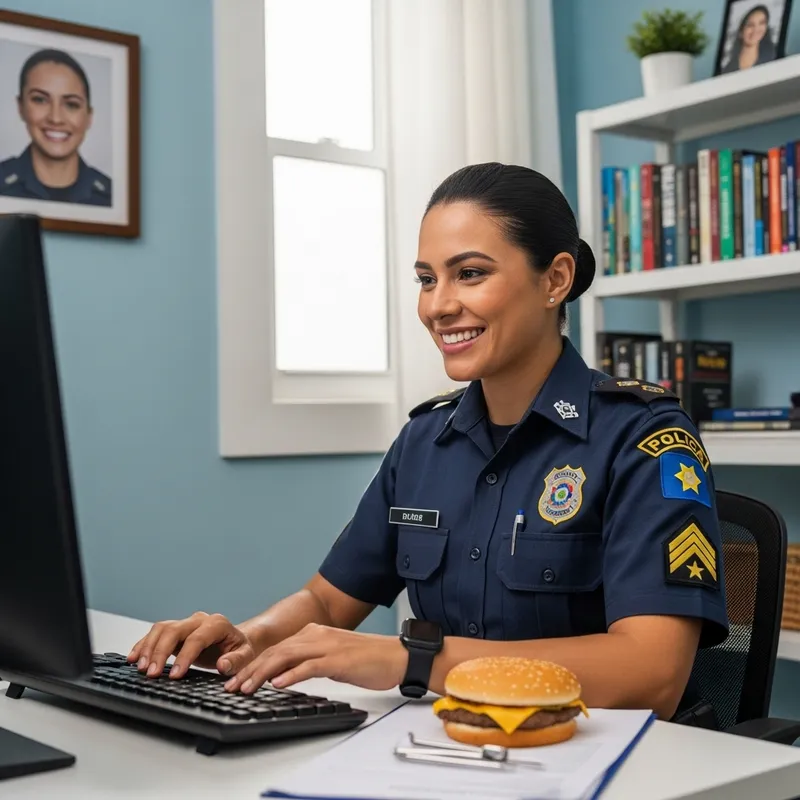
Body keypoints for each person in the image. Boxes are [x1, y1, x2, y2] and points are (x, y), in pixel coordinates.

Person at [127, 163, 728, 722]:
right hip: (445, 748)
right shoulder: (424, 441)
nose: (438, 306)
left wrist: (418, 660)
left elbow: (653, 672)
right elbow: (329, 603)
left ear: (556, 279)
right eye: (425, 279)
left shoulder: (645, 438)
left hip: (597, 758)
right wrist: (247, 641)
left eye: (470, 273)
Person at [0, 48, 111, 207]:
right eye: (40, 100)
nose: (55, 118)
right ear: (21, 107)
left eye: (71, 104)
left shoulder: (112, 197)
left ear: (89, 116)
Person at [721, 4, 777, 73]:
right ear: (740, 32)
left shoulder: (774, 54)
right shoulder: (728, 70)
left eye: (762, 23)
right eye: (750, 25)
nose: (756, 29)